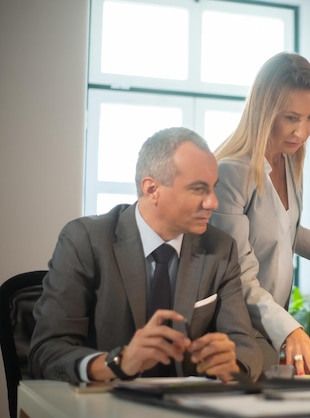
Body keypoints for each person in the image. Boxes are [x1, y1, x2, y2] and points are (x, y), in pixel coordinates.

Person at [30, 127, 263, 383]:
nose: (212, 203)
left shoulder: (220, 248)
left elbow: (245, 347)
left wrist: (232, 364)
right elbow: (47, 352)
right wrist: (119, 362)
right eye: (198, 189)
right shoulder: (85, 240)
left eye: (213, 188)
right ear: (152, 189)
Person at [209, 52, 310, 376]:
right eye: (291, 117)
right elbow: (238, 274)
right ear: (265, 110)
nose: (301, 132)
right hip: (239, 332)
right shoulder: (231, 173)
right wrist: (289, 330)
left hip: (272, 328)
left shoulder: (287, 162)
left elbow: (285, 228)